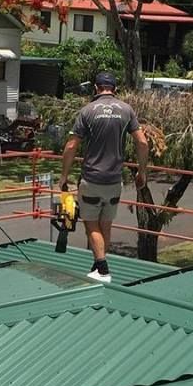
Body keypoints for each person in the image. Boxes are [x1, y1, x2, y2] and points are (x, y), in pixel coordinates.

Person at [59, 70, 148, 283]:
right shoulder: (127, 110)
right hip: (115, 181)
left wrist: (64, 176)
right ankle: (97, 267)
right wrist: (142, 171)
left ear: (96, 88)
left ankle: (103, 269)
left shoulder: (87, 111)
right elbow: (142, 142)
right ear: (114, 89)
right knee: (105, 225)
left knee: (91, 225)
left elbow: (72, 145)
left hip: (92, 179)